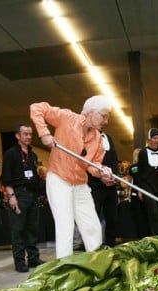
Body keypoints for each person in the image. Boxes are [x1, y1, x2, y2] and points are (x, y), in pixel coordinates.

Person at [30, 95, 114, 259]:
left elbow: (92, 165)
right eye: (104, 116)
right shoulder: (67, 118)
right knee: (65, 225)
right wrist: (44, 133)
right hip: (59, 179)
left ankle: (96, 263)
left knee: (92, 226)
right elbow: (36, 108)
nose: (106, 121)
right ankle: (64, 267)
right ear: (90, 113)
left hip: (80, 184)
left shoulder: (98, 139)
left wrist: (102, 172)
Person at [1, 124, 44, 272]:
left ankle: (33, 258)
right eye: (25, 134)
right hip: (18, 194)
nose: (29, 137)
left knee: (32, 228)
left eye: (30, 134)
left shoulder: (33, 155)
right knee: (18, 230)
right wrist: (11, 196)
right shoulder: (11, 154)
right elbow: (5, 178)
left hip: (32, 194)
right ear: (17, 136)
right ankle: (19, 262)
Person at [88, 131, 119, 247]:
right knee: (94, 216)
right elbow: (87, 161)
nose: (104, 121)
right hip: (95, 184)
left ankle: (111, 244)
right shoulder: (88, 136)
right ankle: (93, 245)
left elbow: (114, 159)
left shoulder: (108, 137)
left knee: (112, 217)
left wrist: (113, 176)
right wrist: (101, 177)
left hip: (110, 185)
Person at [137, 128, 158, 236]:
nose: (156, 141)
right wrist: (139, 190)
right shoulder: (143, 152)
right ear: (150, 139)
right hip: (147, 187)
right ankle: (155, 238)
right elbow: (139, 172)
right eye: (154, 138)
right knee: (153, 213)